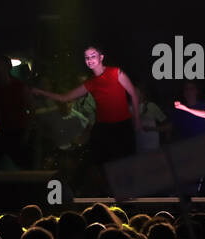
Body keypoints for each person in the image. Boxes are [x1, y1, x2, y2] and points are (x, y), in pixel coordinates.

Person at [33, 46, 139, 193]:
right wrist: (41, 92)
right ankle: (81, 191)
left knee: (124, 164)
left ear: (101, 58)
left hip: (121, 127)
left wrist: (137, 122)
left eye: (93, 56)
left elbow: (133, 94)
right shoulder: (91, 83)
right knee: (95, 162)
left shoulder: (116, 73)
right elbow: (65, 97)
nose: (89, 60)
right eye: (87, 57)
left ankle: (126, 194)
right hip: (103, 128)